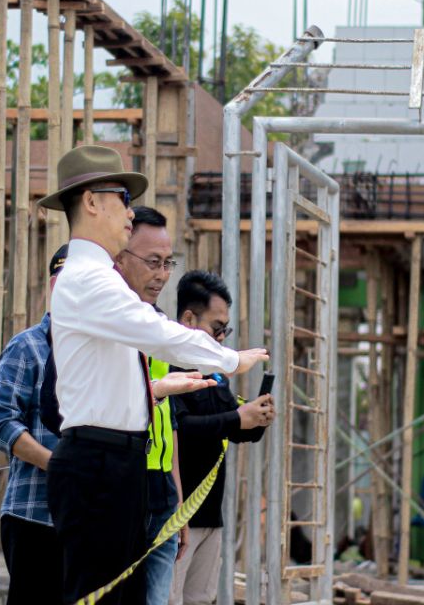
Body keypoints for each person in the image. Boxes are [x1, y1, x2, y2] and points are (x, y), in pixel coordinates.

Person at [41, 145, 269, 605]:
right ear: (90, 201)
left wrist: (158, 389)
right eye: (123, 197)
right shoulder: (90, 278)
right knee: (99, 594)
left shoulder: (97, 278)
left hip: (116, 459)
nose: (130, 211)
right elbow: (156, 331)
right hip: (98, 461)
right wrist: (228, 359)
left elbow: (104, 378)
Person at [167, 270, 273, 605]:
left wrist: (256, 419)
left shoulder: (213, 373)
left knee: (201, 599)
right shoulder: (167, 367)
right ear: (188, 318)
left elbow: (235, 429)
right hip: (177, 514)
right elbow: (179, 428)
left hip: (210, 515)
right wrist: (236, 417)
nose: (222, 337)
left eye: (226, 329)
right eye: (217, 328)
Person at [0, 245, 69, 605]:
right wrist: (57, 465)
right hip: (33, 515)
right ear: (55, 287)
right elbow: (3, 424)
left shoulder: (100, 352)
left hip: (83, 518)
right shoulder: (28, 348)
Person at [114, 206, 187, 605]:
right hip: (120, 480)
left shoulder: (157, 325)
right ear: (120, 258)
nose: (161, 275)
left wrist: (177, 498)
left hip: (160, 487)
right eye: (153, 262)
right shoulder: (105, 323)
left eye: (167, 263)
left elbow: (168, 421)